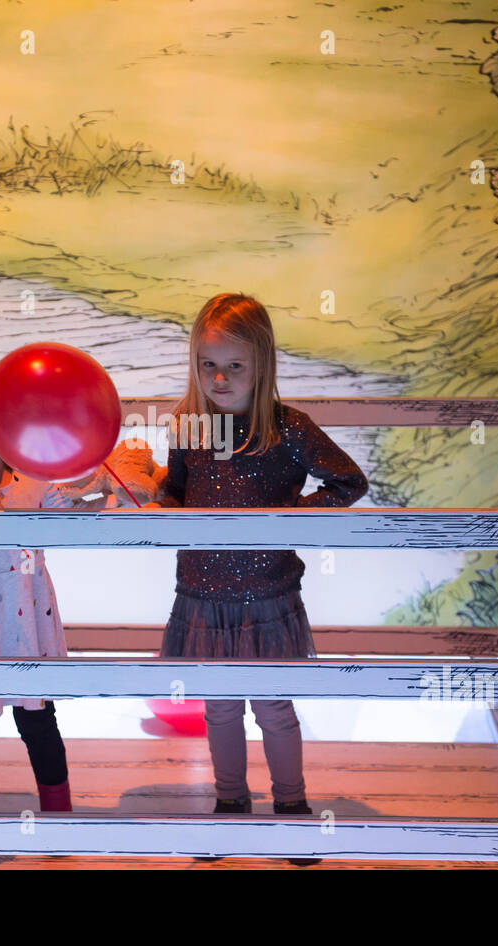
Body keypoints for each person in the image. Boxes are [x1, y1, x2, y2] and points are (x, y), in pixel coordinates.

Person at [145, 292, 369, 863]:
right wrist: (162, 505)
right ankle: (230, 804)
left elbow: (349, 483)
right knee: (218, 708)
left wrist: (291, 516)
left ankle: (290, 807)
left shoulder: (289, 430)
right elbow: (175, 488)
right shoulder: (189, 427)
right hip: (202, 596)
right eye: (207, 364)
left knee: (273, 707)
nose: (219, 377)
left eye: (234, 365)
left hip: (267, 595)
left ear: (261, 364)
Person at [0, 373, 155, 812]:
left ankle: (57, 811)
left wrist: (113, 498)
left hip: (28, 621)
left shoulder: (32, 480)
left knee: (38, 720)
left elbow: (70, 522)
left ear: (1, 424)